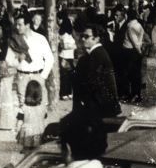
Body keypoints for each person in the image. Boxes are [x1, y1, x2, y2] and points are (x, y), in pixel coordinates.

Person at [61, 22, 121, 158]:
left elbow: (92, 85)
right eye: (82, 36)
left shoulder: (97, 56)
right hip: (97, 109)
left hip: (96, 110)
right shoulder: (95, 55)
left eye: (86, 36)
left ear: (97, 38)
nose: (83, 39)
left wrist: (86, 109)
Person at [5, 12, 54, 123]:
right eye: (16, 24)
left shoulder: (40, 38)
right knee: (23, 108)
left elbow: (50, 59)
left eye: (20, 24)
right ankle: (26, 136)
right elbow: (8, 60)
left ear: (27, 25)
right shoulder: (14, 40)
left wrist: (43, 76)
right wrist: (18, 59)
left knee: (40, 106)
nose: (17, 27)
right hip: (22, 77)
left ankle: (39, 135)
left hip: (38, 76)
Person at [15, 78, 47, 152]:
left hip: (27, 132)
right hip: (39, 131)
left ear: (27, 93)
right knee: (37, 148)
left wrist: (17, 129)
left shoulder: (23, 108)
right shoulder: (43, 107)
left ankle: (26, 149)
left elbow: (19, 121)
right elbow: (44, 117)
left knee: (26, 147)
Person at [122, 9, 144, 102]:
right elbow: (140, 39)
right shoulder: (139, 25)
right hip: (135, 51)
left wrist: (139, 52)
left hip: (131, 51)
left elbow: (134, 42)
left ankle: (133, 94)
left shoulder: (130, 26)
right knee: (136, 74)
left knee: (131, 74)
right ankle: (137, 94)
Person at [58, 18, 76, 100]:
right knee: (65, 77)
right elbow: (64, 46)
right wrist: (73, 46)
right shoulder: (63, 35)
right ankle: (64, 93)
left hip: (70, 57)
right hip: (65, 57)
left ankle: (69, 92)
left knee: (70, 76)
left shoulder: (70, 35)